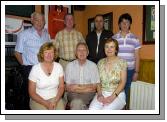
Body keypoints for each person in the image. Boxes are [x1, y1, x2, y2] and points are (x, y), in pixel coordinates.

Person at [14, 12, 50, 109]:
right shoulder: (23, 34)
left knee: (42, 93)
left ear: (44, 22)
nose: (39, 22)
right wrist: (24, 66)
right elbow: (17, 53)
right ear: (32, 21)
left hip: (44, 68)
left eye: (42, 20)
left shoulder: (47, 35)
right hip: (29, 69)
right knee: (28, 95)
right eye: (36, 20)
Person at [112, 13, 141, 107]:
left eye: (127, 22)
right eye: (122, 22)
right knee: (116, 91)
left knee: (126, 92)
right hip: (117, 70)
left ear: (130, 24)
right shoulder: (114, 38)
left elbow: (137, 56)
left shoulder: (135, 38)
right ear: (119, 24)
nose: (124, 24)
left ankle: (125, 110)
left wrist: (136, 72)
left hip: (129, 71)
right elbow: (111, 55)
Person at [89, 38, 127, 110]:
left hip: (117, 94)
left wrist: (112, 97)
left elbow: (123, 82)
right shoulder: (100, 62)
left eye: (112, 47)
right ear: (104, 49)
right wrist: (100, 94)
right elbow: (98, 81)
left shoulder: (122, 62)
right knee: (92, 109)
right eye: (107, 46)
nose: (109, 49)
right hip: (102, 93)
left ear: (116, 49)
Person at [28, 42, 64, 110]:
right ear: (42, 54)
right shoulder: (35, 69)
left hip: (55, 98)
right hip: (38, 100)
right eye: (46, 52)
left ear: (54, 54)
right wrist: (46, 104)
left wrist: (56, 101)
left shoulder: (59, 67)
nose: (49, 55)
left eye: (51, 52)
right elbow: (32, 93)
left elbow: (61, 87)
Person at [65, 42, 100, 110]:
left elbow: (93, 87)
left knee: (77, 103)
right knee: (77, 102)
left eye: (84, 50)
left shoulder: (93, 66)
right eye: (79, 50)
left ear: (87, 53)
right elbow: (68, 87)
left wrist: (76, 87)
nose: (81, 52)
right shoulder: (69, 66)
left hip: (88, 94)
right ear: (76, 53)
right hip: (73, 94)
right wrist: (86, 87)